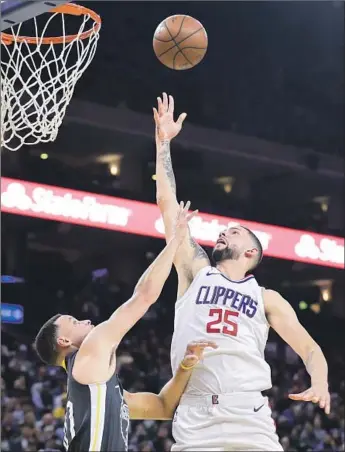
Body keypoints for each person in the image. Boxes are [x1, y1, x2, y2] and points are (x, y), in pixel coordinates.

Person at [153, 93, 331, 451]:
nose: (222, 232)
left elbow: (310, 349)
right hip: (195, 408)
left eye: (232, 232)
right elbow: (167, 206)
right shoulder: (195, 269)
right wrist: (163, 143)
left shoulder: (267, 299)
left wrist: (321, 382)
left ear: (251, 251)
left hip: (248, 411)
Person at [34, 202, 217, 452]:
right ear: (64, 342)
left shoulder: (96, 393)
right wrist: (176, 240)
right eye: (75, 322)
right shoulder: (88, 354)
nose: (86, 321)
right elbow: (143, 297)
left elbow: (163, 407)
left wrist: (185, 367)